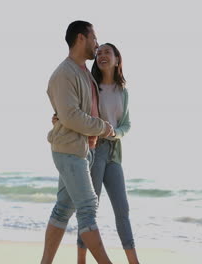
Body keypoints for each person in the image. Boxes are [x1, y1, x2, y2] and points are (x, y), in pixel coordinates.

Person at [53, 43, 140, 264]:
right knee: (90, 208)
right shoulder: (91, 86)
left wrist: (116, 134)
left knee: (122, 209)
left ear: (117, 59)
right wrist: (59, 118)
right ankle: (81, 259)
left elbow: (127, 124)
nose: (101, 55)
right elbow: (74, 111)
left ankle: (134, 261)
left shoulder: (124, 92)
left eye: (106, 52)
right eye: (98, 52)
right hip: (93, 149)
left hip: (114, 153)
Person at [40, 21, 114, 264]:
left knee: (63, 209)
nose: (97, 44)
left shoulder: (84, 73)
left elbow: (75, 112)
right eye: (94, 39)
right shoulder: (64, 73)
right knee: (88, 209)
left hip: (84, 149)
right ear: (81, 38)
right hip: (69, 149)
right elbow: (71, 116)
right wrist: (103, 127)